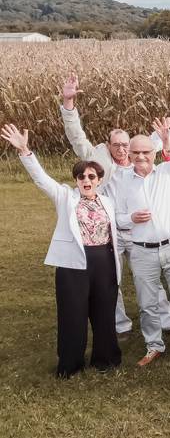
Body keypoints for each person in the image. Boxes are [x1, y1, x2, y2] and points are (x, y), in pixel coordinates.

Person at [59, 74, 170, 334]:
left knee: (150, 279)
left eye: (126, 145)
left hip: (139, 232)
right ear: (108, 145)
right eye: (117, 145)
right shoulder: (100, 160)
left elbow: (163, 144)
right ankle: (119, 325)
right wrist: (69, 103)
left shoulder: (141, 160)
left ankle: (168, 321)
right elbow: (76, 136)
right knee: (112, 279)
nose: (122, 150)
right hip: (110, 231)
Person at [3, 124, 122, 377]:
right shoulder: (66, 197)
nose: (86, 181)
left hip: (104, 261)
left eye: (91, 177)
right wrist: (25, 151)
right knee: (73, 314)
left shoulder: (108, 202)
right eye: (81, 177)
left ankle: (106, 359)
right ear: (76, 181)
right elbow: (41, 179)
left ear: (99, 180)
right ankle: (71, 364)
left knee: (104, 311)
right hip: (73, 265)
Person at [113, 102, 170, 367]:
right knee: (147, 303)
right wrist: (130, 218)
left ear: (155, 152)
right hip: (141, 250)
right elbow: (115, 217)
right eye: (136, 152)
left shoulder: (169, 172)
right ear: (129, 153)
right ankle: (153, 345)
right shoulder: (121, 181)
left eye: (146, 152)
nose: (141, 157)